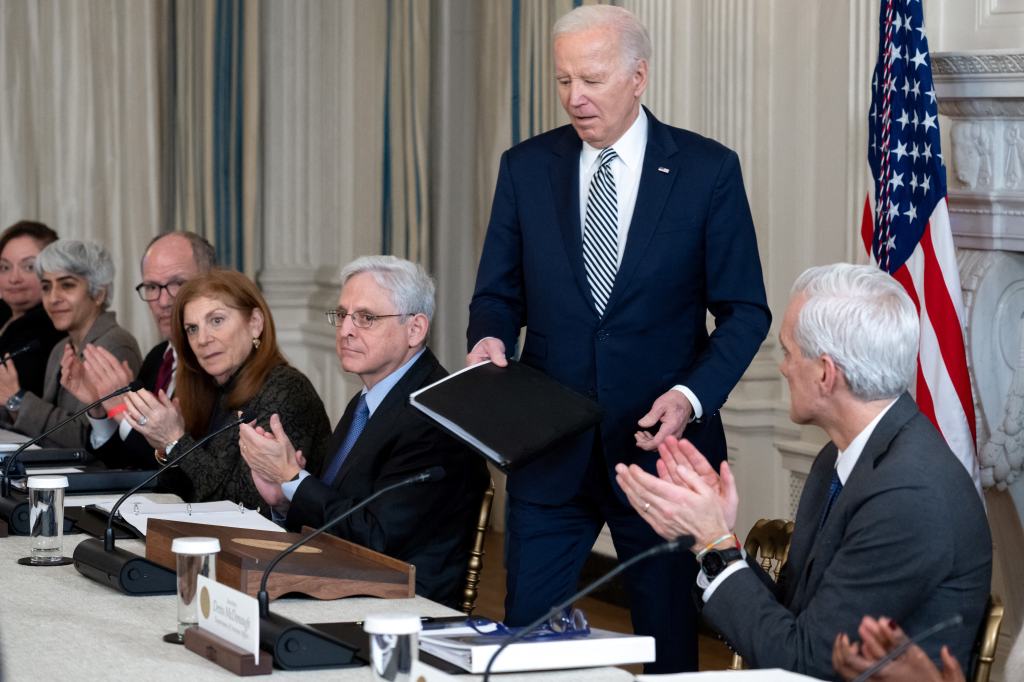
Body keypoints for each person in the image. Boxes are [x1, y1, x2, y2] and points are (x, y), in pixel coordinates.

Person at [465, 4, 770, 671]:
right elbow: (496, 293)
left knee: (668, 650)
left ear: (639, 76)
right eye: (563, 80)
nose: (575, 97)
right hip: (550, 450)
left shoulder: (705, 171)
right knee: (528, 650)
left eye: (592, 79)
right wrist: (488, 338)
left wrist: (691, 396)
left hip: (662, 459)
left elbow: (746, 310)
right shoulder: (526, 168)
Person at [616, 263, 991, 679]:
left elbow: (805, 664)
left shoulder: (908, 493)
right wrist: (719, 541)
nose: (783, 367)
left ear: (826, 374)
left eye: (789, 353)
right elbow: (795, 623)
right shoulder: (840, 457)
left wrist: (713, 543)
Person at [238, 255, 489, 607]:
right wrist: (284, 497)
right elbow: (345, 512)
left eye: (366, 318)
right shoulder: (368, 400)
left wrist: (293, 477)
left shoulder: (435, 416)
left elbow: (376, 538)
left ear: (415, 329)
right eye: (342, 315)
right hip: (344, 580)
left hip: (400, 607)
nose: (345, 330)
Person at [120, 269, 331, 512]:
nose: (202, 339)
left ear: (255, 323)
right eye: (192, 329)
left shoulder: (286, 390)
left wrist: (175, 441)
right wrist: (164, 448)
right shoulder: (207, 387)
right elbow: (183, 494)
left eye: (216, 321)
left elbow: (241, 506)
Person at [62, 232, 216, 469]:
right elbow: (128, 462)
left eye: (177, 284)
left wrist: (123, 410)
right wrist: (101, 408)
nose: (163, 302)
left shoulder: (215, 363)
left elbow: (185, 473)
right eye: (152, 287)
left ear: (210, 282)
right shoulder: (158, 357)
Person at [0, 240, 142, 448]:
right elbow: (47, 435)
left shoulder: (115, 344)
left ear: (98, 294)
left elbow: (87, 439)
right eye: (47, 287)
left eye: (67, 285)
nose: (53, 298)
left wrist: (17, 399)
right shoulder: (61, 348)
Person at [0, 221, 64, 397]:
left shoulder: (52, 329)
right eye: (5, 267)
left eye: (28, 267)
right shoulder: (3, 313)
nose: (14, 278)